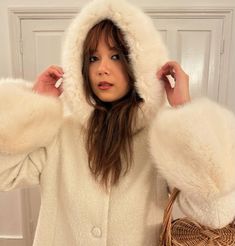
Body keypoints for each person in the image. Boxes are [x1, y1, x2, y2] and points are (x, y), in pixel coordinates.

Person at [0, 0, 235, 245]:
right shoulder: (60, 130)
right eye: (92, 58)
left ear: (137, 63)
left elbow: (215, 212)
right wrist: (32, 105)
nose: (102, 68)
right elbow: (4, 176)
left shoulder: (160, 136)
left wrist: (185, 112)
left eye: (116, 56)